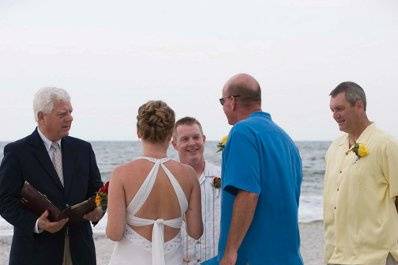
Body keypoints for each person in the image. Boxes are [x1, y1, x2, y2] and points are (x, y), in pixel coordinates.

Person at [0, 87, 104, 265]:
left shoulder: (83, 149)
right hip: (35, 253)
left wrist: (100, 209)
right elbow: (4, 200)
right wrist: (37, 224)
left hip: (80, 251)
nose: (70, 118)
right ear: (41, 117)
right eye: (62, 114)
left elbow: (99, 191)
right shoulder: (17, 152)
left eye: (70, 112)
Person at [215, 73, 303, 265]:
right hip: (288, 256)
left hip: (254, 257)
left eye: (222, 101)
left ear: (232, 101)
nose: (223, 107)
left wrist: (230, 253)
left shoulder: (242, 132)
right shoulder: (286, 140)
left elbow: (248, 193)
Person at [106, 100, 203, 265]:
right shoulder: (189, 175)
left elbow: (114, 233)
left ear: (139, 132)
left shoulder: (121, 174)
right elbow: (195, 232)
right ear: (171, 134)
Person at [324, 81, 398, 265]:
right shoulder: (334, 149)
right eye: (332, 110)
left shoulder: (386, 145)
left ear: (359, 106)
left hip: (376, 257)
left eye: (339, 109)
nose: (335, 115)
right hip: (337, 257)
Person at [172, 117, 221, 264]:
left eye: (196, 137)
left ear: (204, 139)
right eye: (185, 139)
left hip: (216, 259)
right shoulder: (167, 180)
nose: (192, 143)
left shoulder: (223, 175)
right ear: (174, 144)